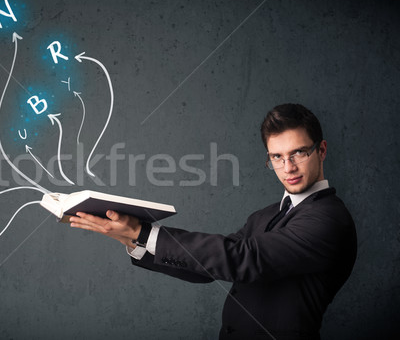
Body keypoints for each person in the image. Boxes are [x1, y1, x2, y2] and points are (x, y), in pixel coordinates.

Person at [69, 104, 357, 340]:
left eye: (299, 153)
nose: (288, 167)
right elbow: (208, 269)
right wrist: (135, 241)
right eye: (277, 157)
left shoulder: (329, 219)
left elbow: (244, 258)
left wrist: (144, 231)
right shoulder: (265, 215)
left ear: (321, 150)